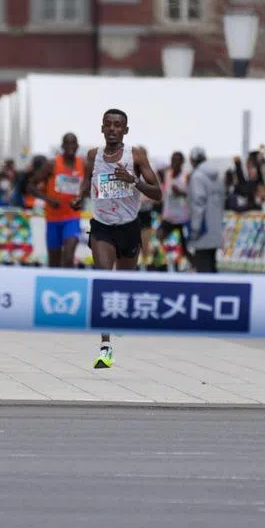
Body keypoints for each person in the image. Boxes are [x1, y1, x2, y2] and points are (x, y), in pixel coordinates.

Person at [70, 109, 162, 369]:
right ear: (102, 128)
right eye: (108, 124)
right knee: (104, 281)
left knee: (122, 284)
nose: (112, 129)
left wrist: (132, 181)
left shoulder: (136, 156)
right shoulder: (93, 156)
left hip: (129, 227)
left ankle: (119, 316)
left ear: (125, 130)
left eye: (117, 125)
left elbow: (157, 194)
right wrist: (80, 197)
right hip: (102, 227)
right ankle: (105, 347)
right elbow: (87, 182)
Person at [30, 132, 85, 269]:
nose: (70, 146)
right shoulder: (52, 164)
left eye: (73, 143)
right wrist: (48, 200)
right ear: (62, 146)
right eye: (67, 143)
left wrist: (81, 198)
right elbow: (30, 186)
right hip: (53, 219)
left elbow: (88, 185)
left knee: (68, 257)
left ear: (77, 146)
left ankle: (70, 280)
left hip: (72, 217)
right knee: (54, 263)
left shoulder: (83, 165)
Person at [186, 147, 224, 273]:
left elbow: (198, 204)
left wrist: (195, 229)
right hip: (215, 228)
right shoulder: (217, 177)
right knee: (211, 266)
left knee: (203, 268)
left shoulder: (197, 177)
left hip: (203, 229)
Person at [156, 151, 191, 268]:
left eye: (177, 161)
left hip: (183, 218)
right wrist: (168, 166)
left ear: (182, 162)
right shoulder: (167, 174)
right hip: (169, 217)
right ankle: (166, 262)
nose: (174, 163)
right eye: (173, 160)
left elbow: (193, 194)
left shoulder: (186, 176)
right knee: (159, 236)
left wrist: (181, 193)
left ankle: (193, 267)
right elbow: (157, 167)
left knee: (185, 249)